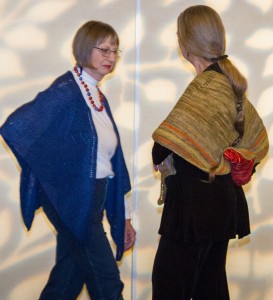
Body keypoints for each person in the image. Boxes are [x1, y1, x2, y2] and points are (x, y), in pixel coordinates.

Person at [0, 20, 136, 300]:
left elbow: (113, 164)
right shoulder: (66, 91)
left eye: (115, 51)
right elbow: (17, 126)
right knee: (107, 281)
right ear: (85, 48)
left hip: (94, 198)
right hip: (74, 201)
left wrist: (126, 216)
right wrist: (59, 180)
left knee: (66, 282)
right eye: (104, 49)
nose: (111, 57)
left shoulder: (96, 96)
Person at [151, 5, 269, 300]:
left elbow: (162, 147)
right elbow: (256, 141)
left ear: (186, 43)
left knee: (168, 287)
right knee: (211, 290)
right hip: (222, 205)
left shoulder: (205, 87)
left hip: (193, 209)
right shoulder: (227, 82)